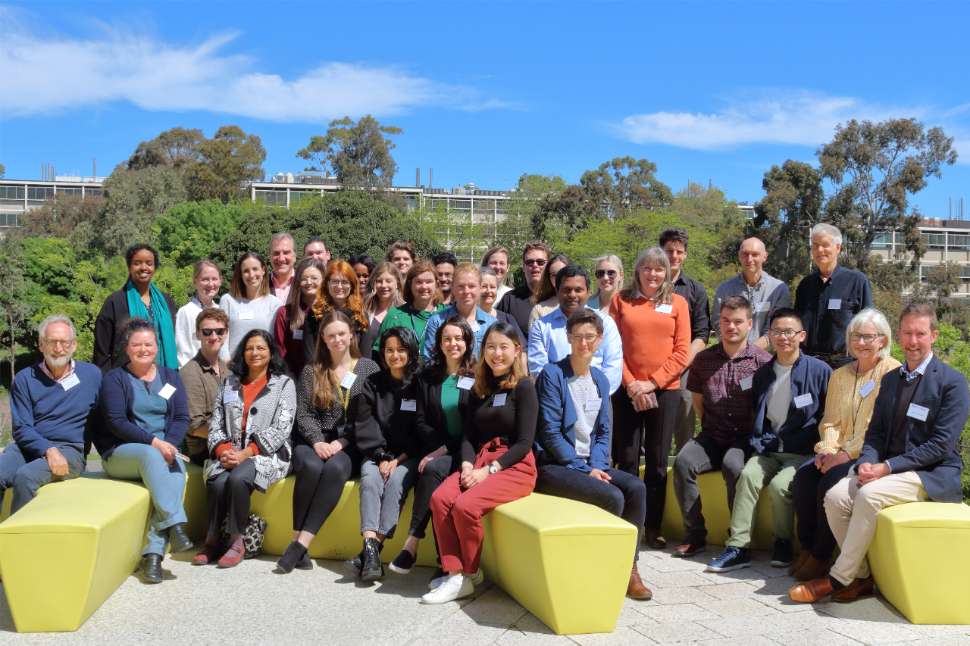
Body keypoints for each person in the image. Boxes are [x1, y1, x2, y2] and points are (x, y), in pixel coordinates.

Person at [790, 302, 970, 604]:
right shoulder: (891, 380)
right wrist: (869, 461)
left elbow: (940, 444)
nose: (913, 342)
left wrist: (886, 467)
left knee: (868, 496)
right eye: (908, 333)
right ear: (898, 336)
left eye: (920, 334)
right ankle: (860, 577)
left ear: (934, 336)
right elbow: (875, 433)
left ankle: (837, 578)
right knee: (834, 497)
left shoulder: (953, 383)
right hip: (887, 468)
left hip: (930, 473)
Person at [534, 309, 651, 600]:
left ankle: (630, 569)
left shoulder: (600, 378)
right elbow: (549, 433)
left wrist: (597, 466)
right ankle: (602, 571)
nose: (583, 343)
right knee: (612, 496)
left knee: (636, 487)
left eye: (589, 337)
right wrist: (583, 469)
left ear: (599, 339)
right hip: (557, 466)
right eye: (577, 337)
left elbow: (603, 432)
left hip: (590, 464)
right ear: (568, 338)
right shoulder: (552, 374)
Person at [706, 308, 831, 573]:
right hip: (768, 449)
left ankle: (783, 542)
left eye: (789, 332)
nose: (783, 337)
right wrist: (761, 441)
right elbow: (757, 412)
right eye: (777, 332)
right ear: (770, 335)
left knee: (779, 487)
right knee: (747, 476)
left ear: (802, 336)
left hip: (801, 453)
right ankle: (738, 547)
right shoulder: (763, 374)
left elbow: (827, 416)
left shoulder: (820, 371)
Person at [423, 322, 537, 604]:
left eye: (503, 347)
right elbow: (468, 436)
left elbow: (524, 443)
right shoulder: (479, 388)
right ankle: (456, 572)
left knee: (466, 506)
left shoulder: (524, 388)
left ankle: (467, 574)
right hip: (479, 460)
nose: (496, 354)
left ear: (516, 350)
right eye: (490, 347)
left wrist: (489, 471)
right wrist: (466, 465)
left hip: (514, 465)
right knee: (440, 499)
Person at [788, 308, 900, 581]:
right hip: (836, 451)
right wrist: (827, 449)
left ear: (882, 341)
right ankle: (807, 546)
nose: (860, 342)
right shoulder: (840, 375)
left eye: (867, 337)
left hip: (869, 454)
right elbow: (830, 421)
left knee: (830, 484)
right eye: (855, 336)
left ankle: (821, 555)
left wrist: (846, 455)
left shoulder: (891, 372)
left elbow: (877, 425)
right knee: (804, 477)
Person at [275, 311, 380, 574]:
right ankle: (297, 541)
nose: (337, 340)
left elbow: (369, 417)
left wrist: (342, 443)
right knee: (310, 467)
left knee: (334, 469)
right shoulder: (312, 370)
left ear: (351, 335)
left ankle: (299, 545)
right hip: (312, 441)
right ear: (323, 338)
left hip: (350, 444)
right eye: (331, 335)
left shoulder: (368, 368)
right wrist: (318, 442)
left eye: (342, 334)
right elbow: (303, 413)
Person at [672, 297, 772, 557]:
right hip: (712, 435)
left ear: (749, 324)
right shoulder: (703, 360)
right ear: (719, 323)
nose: (731, 327)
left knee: (733, 465)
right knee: (683, 462)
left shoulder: (762, 361)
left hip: (745, 439)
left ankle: (737, 540)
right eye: (726, 320)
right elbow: (698, 400)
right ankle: (695, 535)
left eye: (738, 321)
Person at [95, 319, 193, 584]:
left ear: (156, 347)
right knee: (153, 456)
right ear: (126, 348)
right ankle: (174, 524)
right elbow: (116, 422)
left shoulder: (170, 376)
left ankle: (152, 559)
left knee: (176, 471)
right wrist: (155, 443)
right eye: (136, 344)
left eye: (148, 344)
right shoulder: (115, 379)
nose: (143, 349)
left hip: (163, 450)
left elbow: (182, 417)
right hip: (122, 453)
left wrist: (169, 443)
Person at [193, 329, 296, 568]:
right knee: (218, 482)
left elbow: (282, 427)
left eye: (261, 348)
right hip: (230, 453)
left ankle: (237, 540)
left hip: (266, 455)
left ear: (271, 353)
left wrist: (246, 453)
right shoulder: (230, 382)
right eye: (249, 348)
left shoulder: (283, 384)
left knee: (238, 478)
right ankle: (211, 541)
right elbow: (216, 421)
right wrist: (223, 451)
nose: (254, 353)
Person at [609, 247, 690, 548]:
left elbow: (682, 352)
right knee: (626, 459)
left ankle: (653, 526)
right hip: (626, 391)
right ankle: (627, 523)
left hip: (664, 392)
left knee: (657, 462)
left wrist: (652, 384)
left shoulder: (678, 303)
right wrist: (632, 385)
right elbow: (613, 349)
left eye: (659, 269)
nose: (653, 274)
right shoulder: (621, 300)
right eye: (647, 268)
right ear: (638, 270)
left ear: (667, 272)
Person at [389, 317, 475, 577]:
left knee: (433, 470)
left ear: (468, 342)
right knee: (433, 471)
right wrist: (438, 447)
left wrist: (445, 450)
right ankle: (436, 559)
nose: (453, 344)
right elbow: (420, 419)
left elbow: (475, 424)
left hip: (467, 449)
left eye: (459, 338)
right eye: (447, 338)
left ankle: (413, 542)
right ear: (439, 343)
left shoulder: (477, 376)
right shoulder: (427, 377)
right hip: (437, 447)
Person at [348, 327, 423, 581]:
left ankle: (371, 551)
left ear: (411, 352)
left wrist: (397, 460)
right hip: (376, 452)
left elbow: (422, 428)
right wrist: (380, 456)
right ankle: (371, 549)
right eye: (390, 350)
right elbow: (365, 423)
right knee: (369, 481)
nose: (395, 355)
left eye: (401, 350)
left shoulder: (419, 384)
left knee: (395, 484)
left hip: (408, 455)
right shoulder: (373, 383)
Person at [5, 315, 100, 513]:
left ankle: (21, 540)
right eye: (52, 342)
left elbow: (106, 416)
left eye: (64, 342)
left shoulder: (92, 375)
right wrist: (48, 449)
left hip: (70, 450)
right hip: (30, 447)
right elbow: (21, 428)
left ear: (73, 345)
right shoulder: (25, 379)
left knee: (25, 477)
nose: (58, 348)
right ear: (41, 345)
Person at [528, 264, 622, 394]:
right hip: (556, 403)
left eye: (578, 290)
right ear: (557, 291)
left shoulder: (606, 323)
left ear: (588, 291)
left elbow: (613, 367)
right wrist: (562, 397)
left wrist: (594, 396)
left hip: (597, 399)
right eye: (567, 290)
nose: (572, 295)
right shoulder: (541, 326)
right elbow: (538, 370)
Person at [660, 228, 711, 454]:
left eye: (679, 251)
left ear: (685, 255)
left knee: (683, 426)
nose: (674, 256)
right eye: (669, 250)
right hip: (649, 365)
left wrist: (680, 364)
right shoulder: (647, 286)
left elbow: (702, 335)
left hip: (684, 368)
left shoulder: (695, 290)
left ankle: (681, 469)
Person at [794, 223, 873, 368]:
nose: (819, 250)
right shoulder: (805, 285)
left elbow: (869, 326)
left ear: (838, 248)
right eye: (815, 245)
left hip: (844, 366)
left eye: (825, 245)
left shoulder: (856, 281)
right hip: (808, 365)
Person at [94, 243, 178, 372]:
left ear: (154, 267)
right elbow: (102, 352)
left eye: (149, 263)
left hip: (164, 378)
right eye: (137, 263)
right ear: (129, 267)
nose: (144, 267)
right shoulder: (115, 302)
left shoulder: (166, 302)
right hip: (125, 379)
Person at [713, 237, 792, 350]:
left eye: (755, 254)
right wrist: (733, 349)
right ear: (739, 256)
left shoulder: (779, 290)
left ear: (764, 257)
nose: (749, 259)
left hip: (766, 361)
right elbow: (718, 322)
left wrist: (749, 353)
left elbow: (777, 328)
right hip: (730, 355)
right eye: (745, 254)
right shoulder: (724, 289)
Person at [179, 308, 230, 466]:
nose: (214, 337)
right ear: (198, 334)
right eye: (207, 332)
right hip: (204, 450)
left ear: (226, 333)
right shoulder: (190, 373)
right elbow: (195, 427)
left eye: (219, 331)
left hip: (230, 441)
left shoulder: (228, 371)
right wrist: (233, 434)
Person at [422, 263, 496, 362]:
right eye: (461, 286)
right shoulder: (437, 321)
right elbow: (429, 360)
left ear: (480, 288)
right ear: (452, 288)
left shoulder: (491, 324)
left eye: (472, 286)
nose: (466, 291)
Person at [304, 260, 369, 361]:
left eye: (344, 282)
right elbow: (309, 354)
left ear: (351, 285)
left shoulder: (360, 314)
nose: (339, 286)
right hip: (322, 372)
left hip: (354, 374)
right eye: (335, 281)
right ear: (327, 284)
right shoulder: (315, 314)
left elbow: (365, 354)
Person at [219, 252, 281, 357]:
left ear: (263, 270)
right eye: (246, 271)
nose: (251, 275)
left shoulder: (275, 304)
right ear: (241, 275)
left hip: (263, 366)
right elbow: (222, 336)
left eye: (255, 269)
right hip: (233, 367)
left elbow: (274, 340)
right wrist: (226, 363)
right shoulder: (228, 300)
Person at [374, 261, 443, 354]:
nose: (424, 286)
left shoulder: (446, 314)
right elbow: (379, 353)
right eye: (418, 282)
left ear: (437, 284)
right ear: (410, 284)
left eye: (429, 282)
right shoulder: (395, 315)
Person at [273, 258, 325, 377]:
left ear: (323, 280)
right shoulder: (285, 313)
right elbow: (281, 351)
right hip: (295, 379)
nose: (309, 282)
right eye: (304, 278)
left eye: (314, 278)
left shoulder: (331, 312)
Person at [175, 259, 225, 367]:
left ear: (221, 281)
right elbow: (184, 353)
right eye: (205, 279)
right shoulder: (186, 312)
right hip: (196, 374)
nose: (211, 284)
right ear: (195, 281)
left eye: (214, 279)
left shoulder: (222, 310)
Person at [496, 241, 550, 338]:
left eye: (540, 262)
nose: (535, 265)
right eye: (529, 262)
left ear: (548, 266)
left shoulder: (558, 299)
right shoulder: (509, 300)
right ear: (524, 267)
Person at [361, 262, 404, 359]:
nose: (384, 285)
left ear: (397, 283)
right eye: (379, 281)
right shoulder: (363, 310)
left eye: (388, 281)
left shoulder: (405, 312)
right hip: (366, 370)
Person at [527, 253, 570, 332]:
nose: (558, 278)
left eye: (562, 273)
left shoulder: (583, 305)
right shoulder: (539, 310)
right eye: (554, 275)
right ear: (549, 278)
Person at [479, 266, 522, 341]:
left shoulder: (508, 319)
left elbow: (523, 349)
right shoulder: (468, 318)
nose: (489, 291)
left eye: (492, 287)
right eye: (484, 286)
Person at [268, 232, 297, 304]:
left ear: (294, 256)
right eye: (276, 253)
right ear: (269, 256)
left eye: (286, 252)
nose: (281, 259)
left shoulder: (305, 283)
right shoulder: (260, 284)